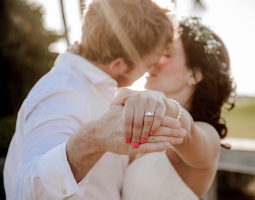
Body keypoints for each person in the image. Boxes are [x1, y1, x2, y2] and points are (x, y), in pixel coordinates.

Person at [3, 0, 187, 199]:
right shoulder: (62, 93)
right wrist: (93, 140)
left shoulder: (104, 92)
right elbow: (28, 191)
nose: (150, 71)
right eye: (149, 64)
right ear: (118, 65)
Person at [122, 16, 236, 200]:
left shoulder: (208, 136)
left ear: (195, 73)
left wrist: (165, 105)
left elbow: (187, 131)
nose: (154, 60)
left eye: (166, 55)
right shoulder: (143, 125)